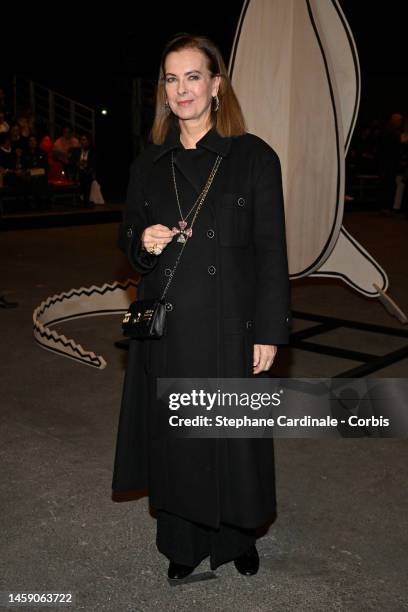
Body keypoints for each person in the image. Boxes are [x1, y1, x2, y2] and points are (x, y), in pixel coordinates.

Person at [112, 33, 291, 581]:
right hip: (173, 329)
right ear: (163, 93)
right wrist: (143, 242)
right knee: (179, 443)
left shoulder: (254, 156)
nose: (182, 89)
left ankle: (239, 539)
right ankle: (182, 545)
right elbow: (127, 240)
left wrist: (269, 330)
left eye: (193, 76)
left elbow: (271, 251)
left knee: (233, 438)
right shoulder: (149, 163)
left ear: (216, 85)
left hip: (232, 327)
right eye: (171, 78)